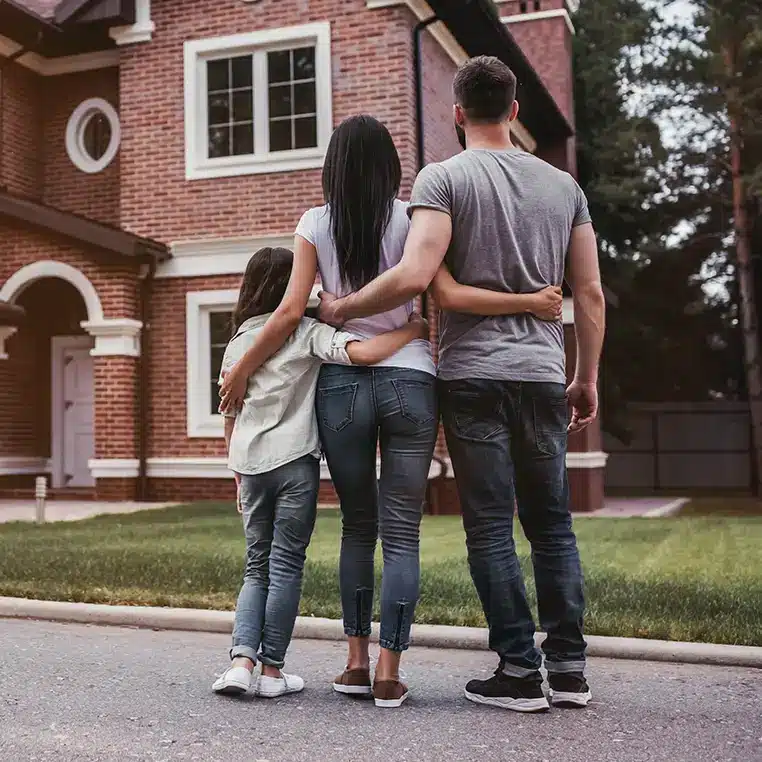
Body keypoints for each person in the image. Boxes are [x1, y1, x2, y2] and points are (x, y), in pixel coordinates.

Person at [316, 57, 606, 713]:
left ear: (456, 114)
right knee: (553, 526)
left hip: (473, 376)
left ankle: (518, 670)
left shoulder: (443, 179)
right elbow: (587, 291)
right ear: (515, 110)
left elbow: (418, 275)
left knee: (491, 530)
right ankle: (568, 669)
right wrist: (585, 375)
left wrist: (343, 308)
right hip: (541, 375)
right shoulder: (564, 188)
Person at [212, 246, 428, 700]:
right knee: (286, 566)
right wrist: (412, 329)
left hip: (249, 469)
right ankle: (272, 672)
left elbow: (229, 415)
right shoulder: (308, 334)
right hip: (295, 467)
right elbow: (365, 353)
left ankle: (239, 663)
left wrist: (236, 473)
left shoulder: (237, 343)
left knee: (257, 567)